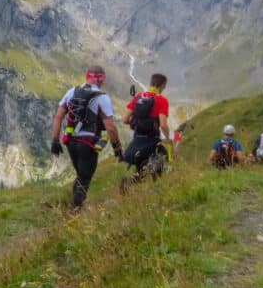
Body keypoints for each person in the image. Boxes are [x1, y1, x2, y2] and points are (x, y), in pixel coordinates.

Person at [50, 66, 122, 206]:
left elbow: (58, 116)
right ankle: (76, 212)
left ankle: (71, 206)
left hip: (70, 141)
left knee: (80, 175)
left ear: (87, 76)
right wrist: (117, 147)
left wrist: (55, 141)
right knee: (85, 179)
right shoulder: (102, 97)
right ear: (101, 78)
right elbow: (111, 128)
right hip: (88, 144)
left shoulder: (71, 92)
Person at [121, 73, 177, 188]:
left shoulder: (138, 97)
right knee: (163, 161)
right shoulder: (162, 100)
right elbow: (163, 125)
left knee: (142, 169)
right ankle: (157, 190)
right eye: (164, 86)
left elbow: (125, 119)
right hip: (153, 140)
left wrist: (138, 125)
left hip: (137, 139)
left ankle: (130, 184)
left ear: (151, 83)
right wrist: (169, 140)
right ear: (162, 86)